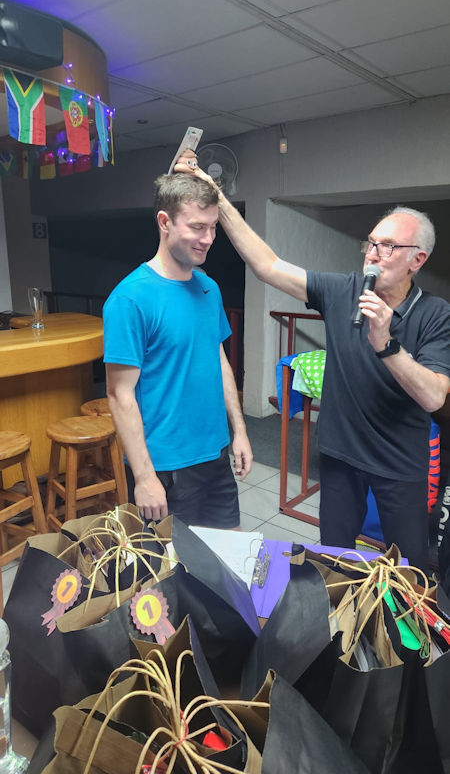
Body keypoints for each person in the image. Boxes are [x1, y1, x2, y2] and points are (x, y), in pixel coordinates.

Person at [175, 150, 450, 571]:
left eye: (389, 246)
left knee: (408, 570)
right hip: (340, 457)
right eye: (371, 243)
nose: (373, 254)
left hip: (399, 465)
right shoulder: (343, 291)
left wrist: (386, 343)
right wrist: (217, 195)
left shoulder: (435, 313)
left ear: (418, 259)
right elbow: (267, 265)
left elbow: (433, 396)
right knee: (334, 560)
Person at [103, 172, 252, 528]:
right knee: (173, 563)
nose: (208, 239)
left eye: (213, 227)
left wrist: (240, 431)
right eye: (198, 227)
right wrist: (144, 478)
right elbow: (119, 394)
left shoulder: (208, 287)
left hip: (215, 453)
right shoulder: (129, 299)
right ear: (164, 222)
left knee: (228, 556)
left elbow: (218, 360)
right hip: (166, 466)